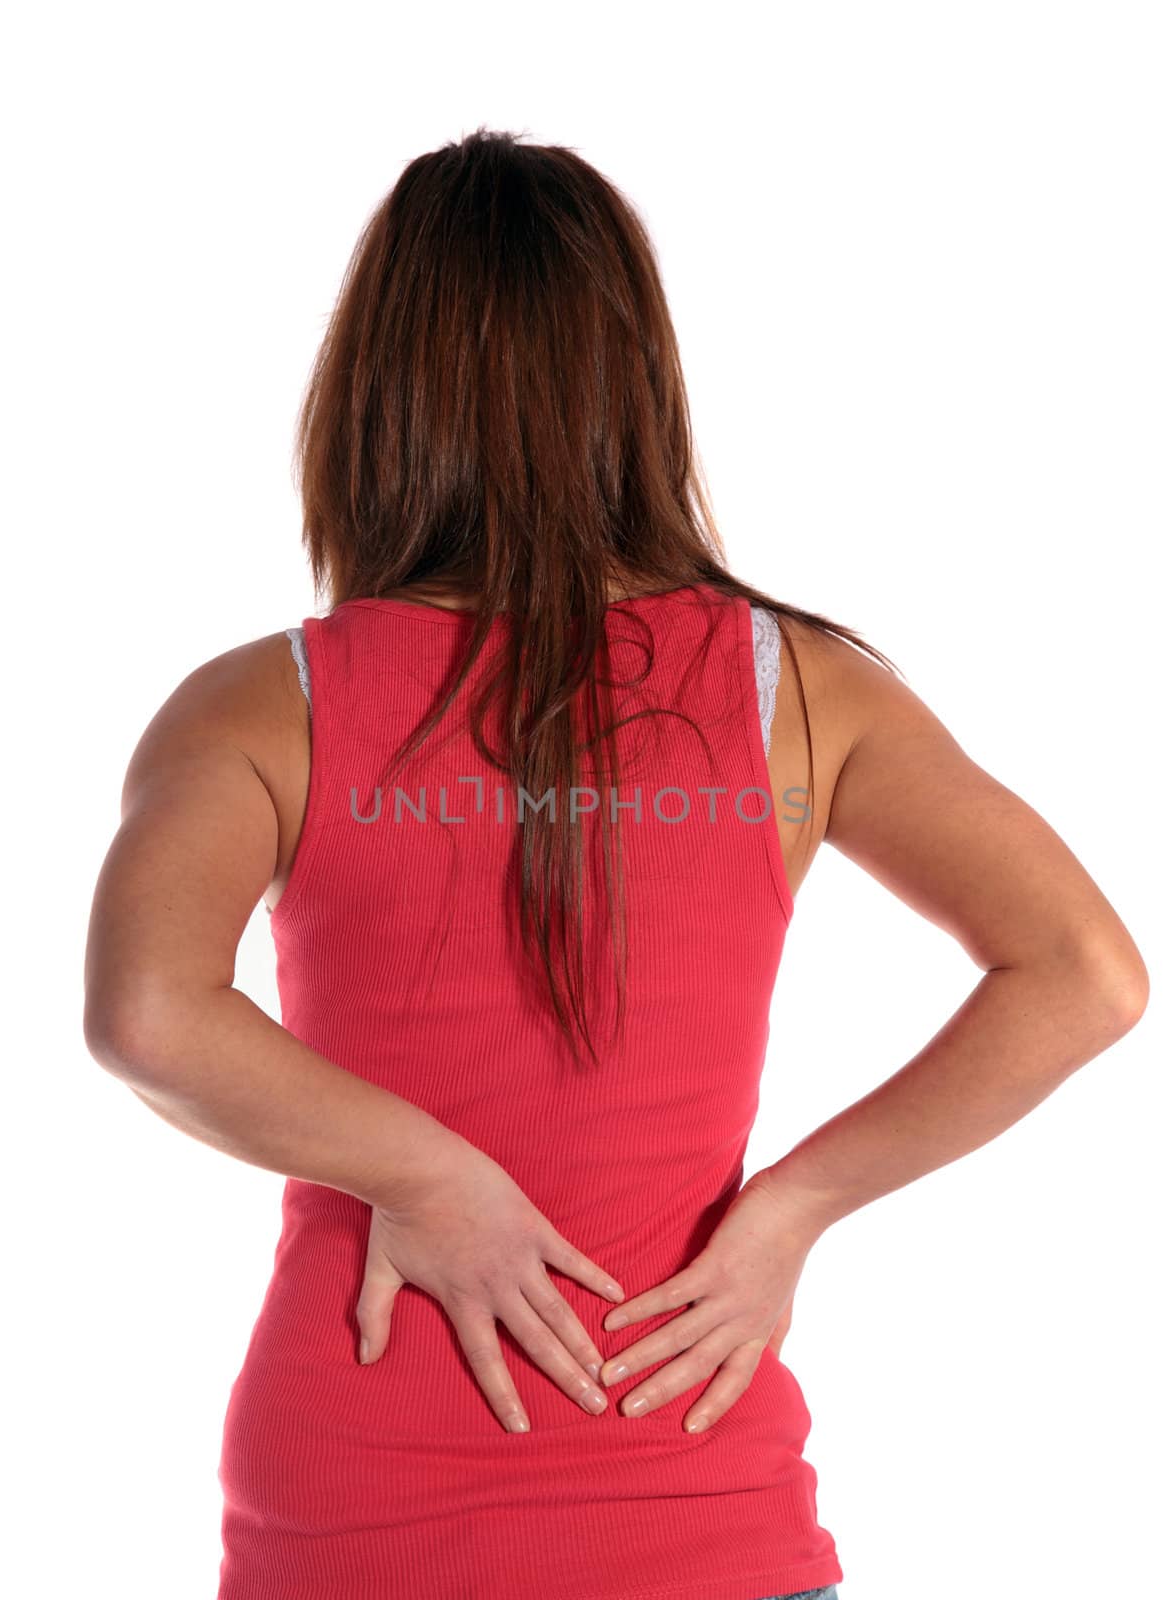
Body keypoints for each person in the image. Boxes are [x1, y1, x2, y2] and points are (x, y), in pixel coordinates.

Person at [83, 128, 1148, 1600]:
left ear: (369, 389)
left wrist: (420, 1175)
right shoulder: (803, 690)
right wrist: (790, 1210)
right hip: (700, 1486)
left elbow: (150, 1019)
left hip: (358, 1502)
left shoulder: (267, 703)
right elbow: (1084, 976)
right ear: (634, 382)